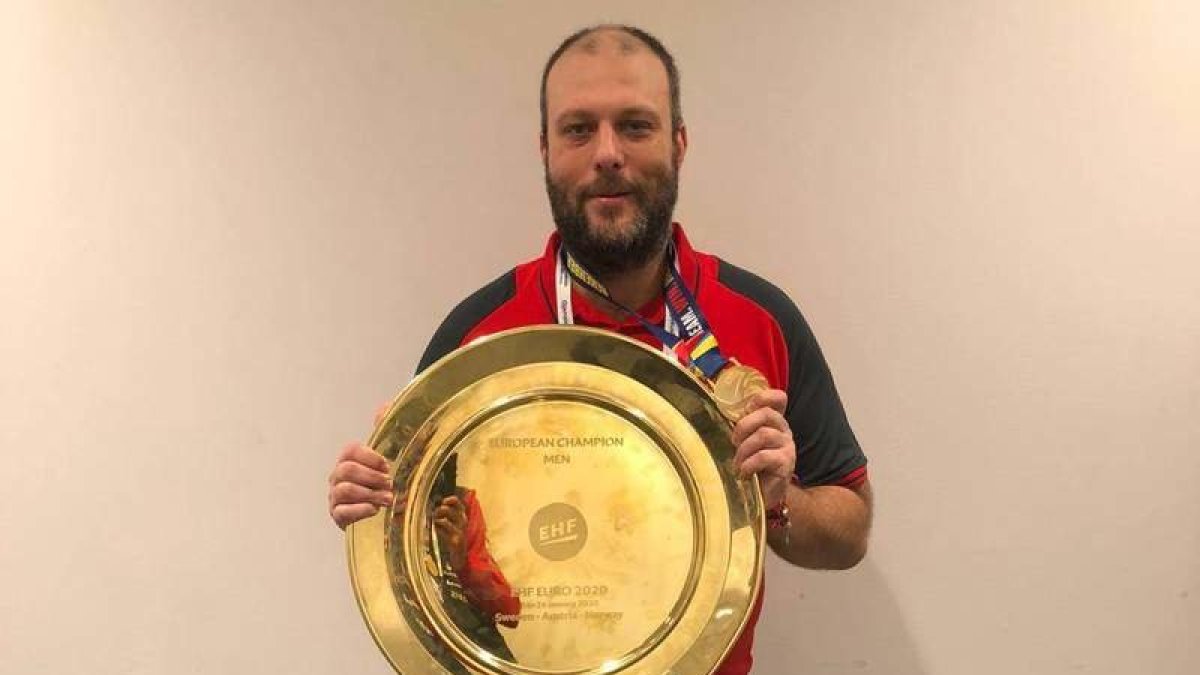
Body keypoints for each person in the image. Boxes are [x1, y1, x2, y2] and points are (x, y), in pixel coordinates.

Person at [328, 24, 873, 674]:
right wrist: (378, 507)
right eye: (579, 129)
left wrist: (780, 497)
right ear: (545, 149)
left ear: (679, 144)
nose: (607, 153)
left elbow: (849, 535)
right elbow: (427, 563)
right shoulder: (478, 339)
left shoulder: (760, 319)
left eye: (636, 126)